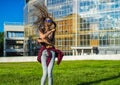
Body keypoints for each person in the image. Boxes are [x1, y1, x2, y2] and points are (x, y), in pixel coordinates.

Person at [33, 3, 64, 85]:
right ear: (44, 21)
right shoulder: (41, 29)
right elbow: (42, 36)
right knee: (45, 73)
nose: (48, 22)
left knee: (50, 73)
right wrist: (46, 37)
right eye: (47, 20)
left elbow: (52, 42)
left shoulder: (53, 31)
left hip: (52, 52)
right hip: (44, 52)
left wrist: (43, 41)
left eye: (50, 20)